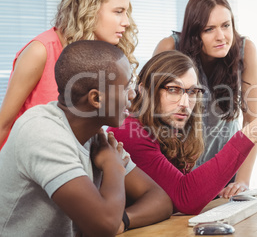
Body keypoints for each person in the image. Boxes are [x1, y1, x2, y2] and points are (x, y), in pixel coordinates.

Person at [0, 41, 172, 236]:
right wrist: (113, 167)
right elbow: (103, 226)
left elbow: (160, 199)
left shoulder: (98, 137)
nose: (132, 94)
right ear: (96, 99)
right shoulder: (42, 132)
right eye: (125, 87)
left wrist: (122, 221)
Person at [108, 50, 257, 214]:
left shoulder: (170, 127)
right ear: (144, 90)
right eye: (173, 89)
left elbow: (181, 192)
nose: (185, 103)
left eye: (192, 92)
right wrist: (248, 136)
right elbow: (185, 198)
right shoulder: (129, 131)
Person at [0, 0, 138, 149]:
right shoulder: (40, 51)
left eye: (126, 12)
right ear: (89, 9)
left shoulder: (100, 56)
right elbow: (3, 124)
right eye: (118, 11)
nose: (126, 22)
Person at [153, 0, 257, 198]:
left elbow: (252, 122)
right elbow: (152, 117)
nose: (221, 37)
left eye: (226, 26)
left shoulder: (245, 50)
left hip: (226, 168)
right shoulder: (170, 46)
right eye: (209, 29)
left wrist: (243, 181)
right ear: (194, 33)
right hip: (179, 170)